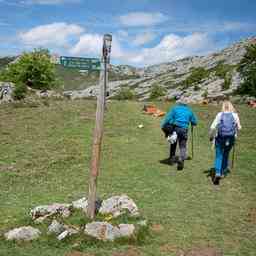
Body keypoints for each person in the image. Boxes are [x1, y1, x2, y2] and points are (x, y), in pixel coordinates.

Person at [209, 100, 241, 185]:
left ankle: (218, 173)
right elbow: (239, 127)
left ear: (223, 107)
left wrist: (211, 136)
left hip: (220, 138)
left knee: (219, 155)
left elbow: (212, 126)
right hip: (230, 138)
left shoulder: (220, 114)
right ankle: (223, 172)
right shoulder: (235, 115)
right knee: (226, 154)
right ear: (231, 107)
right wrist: (236, 132)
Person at [161, 97, 198, 170]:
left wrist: (163, 125)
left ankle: (172, 158)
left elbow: (168, 118)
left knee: (173, 142)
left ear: (180, 102)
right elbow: (195, 122)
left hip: (175, 128)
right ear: (186, 103)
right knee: (183, 145)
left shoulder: (175, 109)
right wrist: (192, 123)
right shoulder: (189, 111)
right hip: (184, 129)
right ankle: (181, 159)